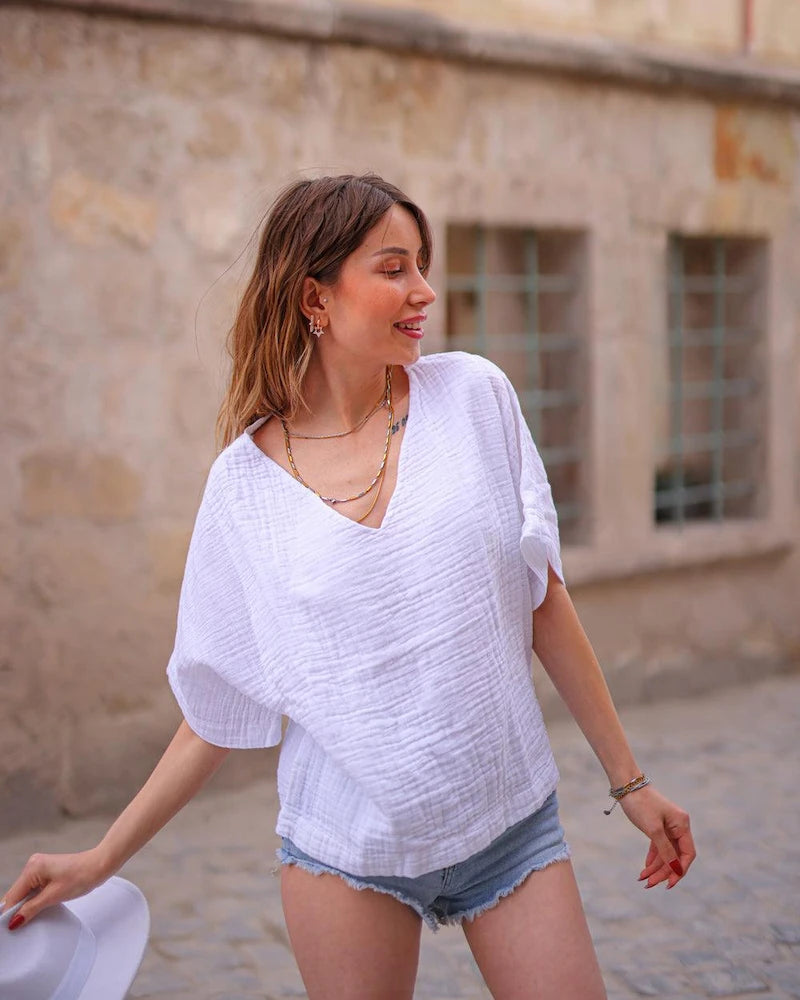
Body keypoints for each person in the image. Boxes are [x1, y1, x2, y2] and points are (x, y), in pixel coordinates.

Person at [2, 174, 695, 999]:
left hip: (508, 821)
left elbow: (543, 599)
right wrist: (101, 858)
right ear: (315, 297)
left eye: (422, 266)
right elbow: (218, 706)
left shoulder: (476, 397)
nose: (424, 291)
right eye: (394, 268)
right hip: (345, 851)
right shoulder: (242, 488)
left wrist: (632, 782)